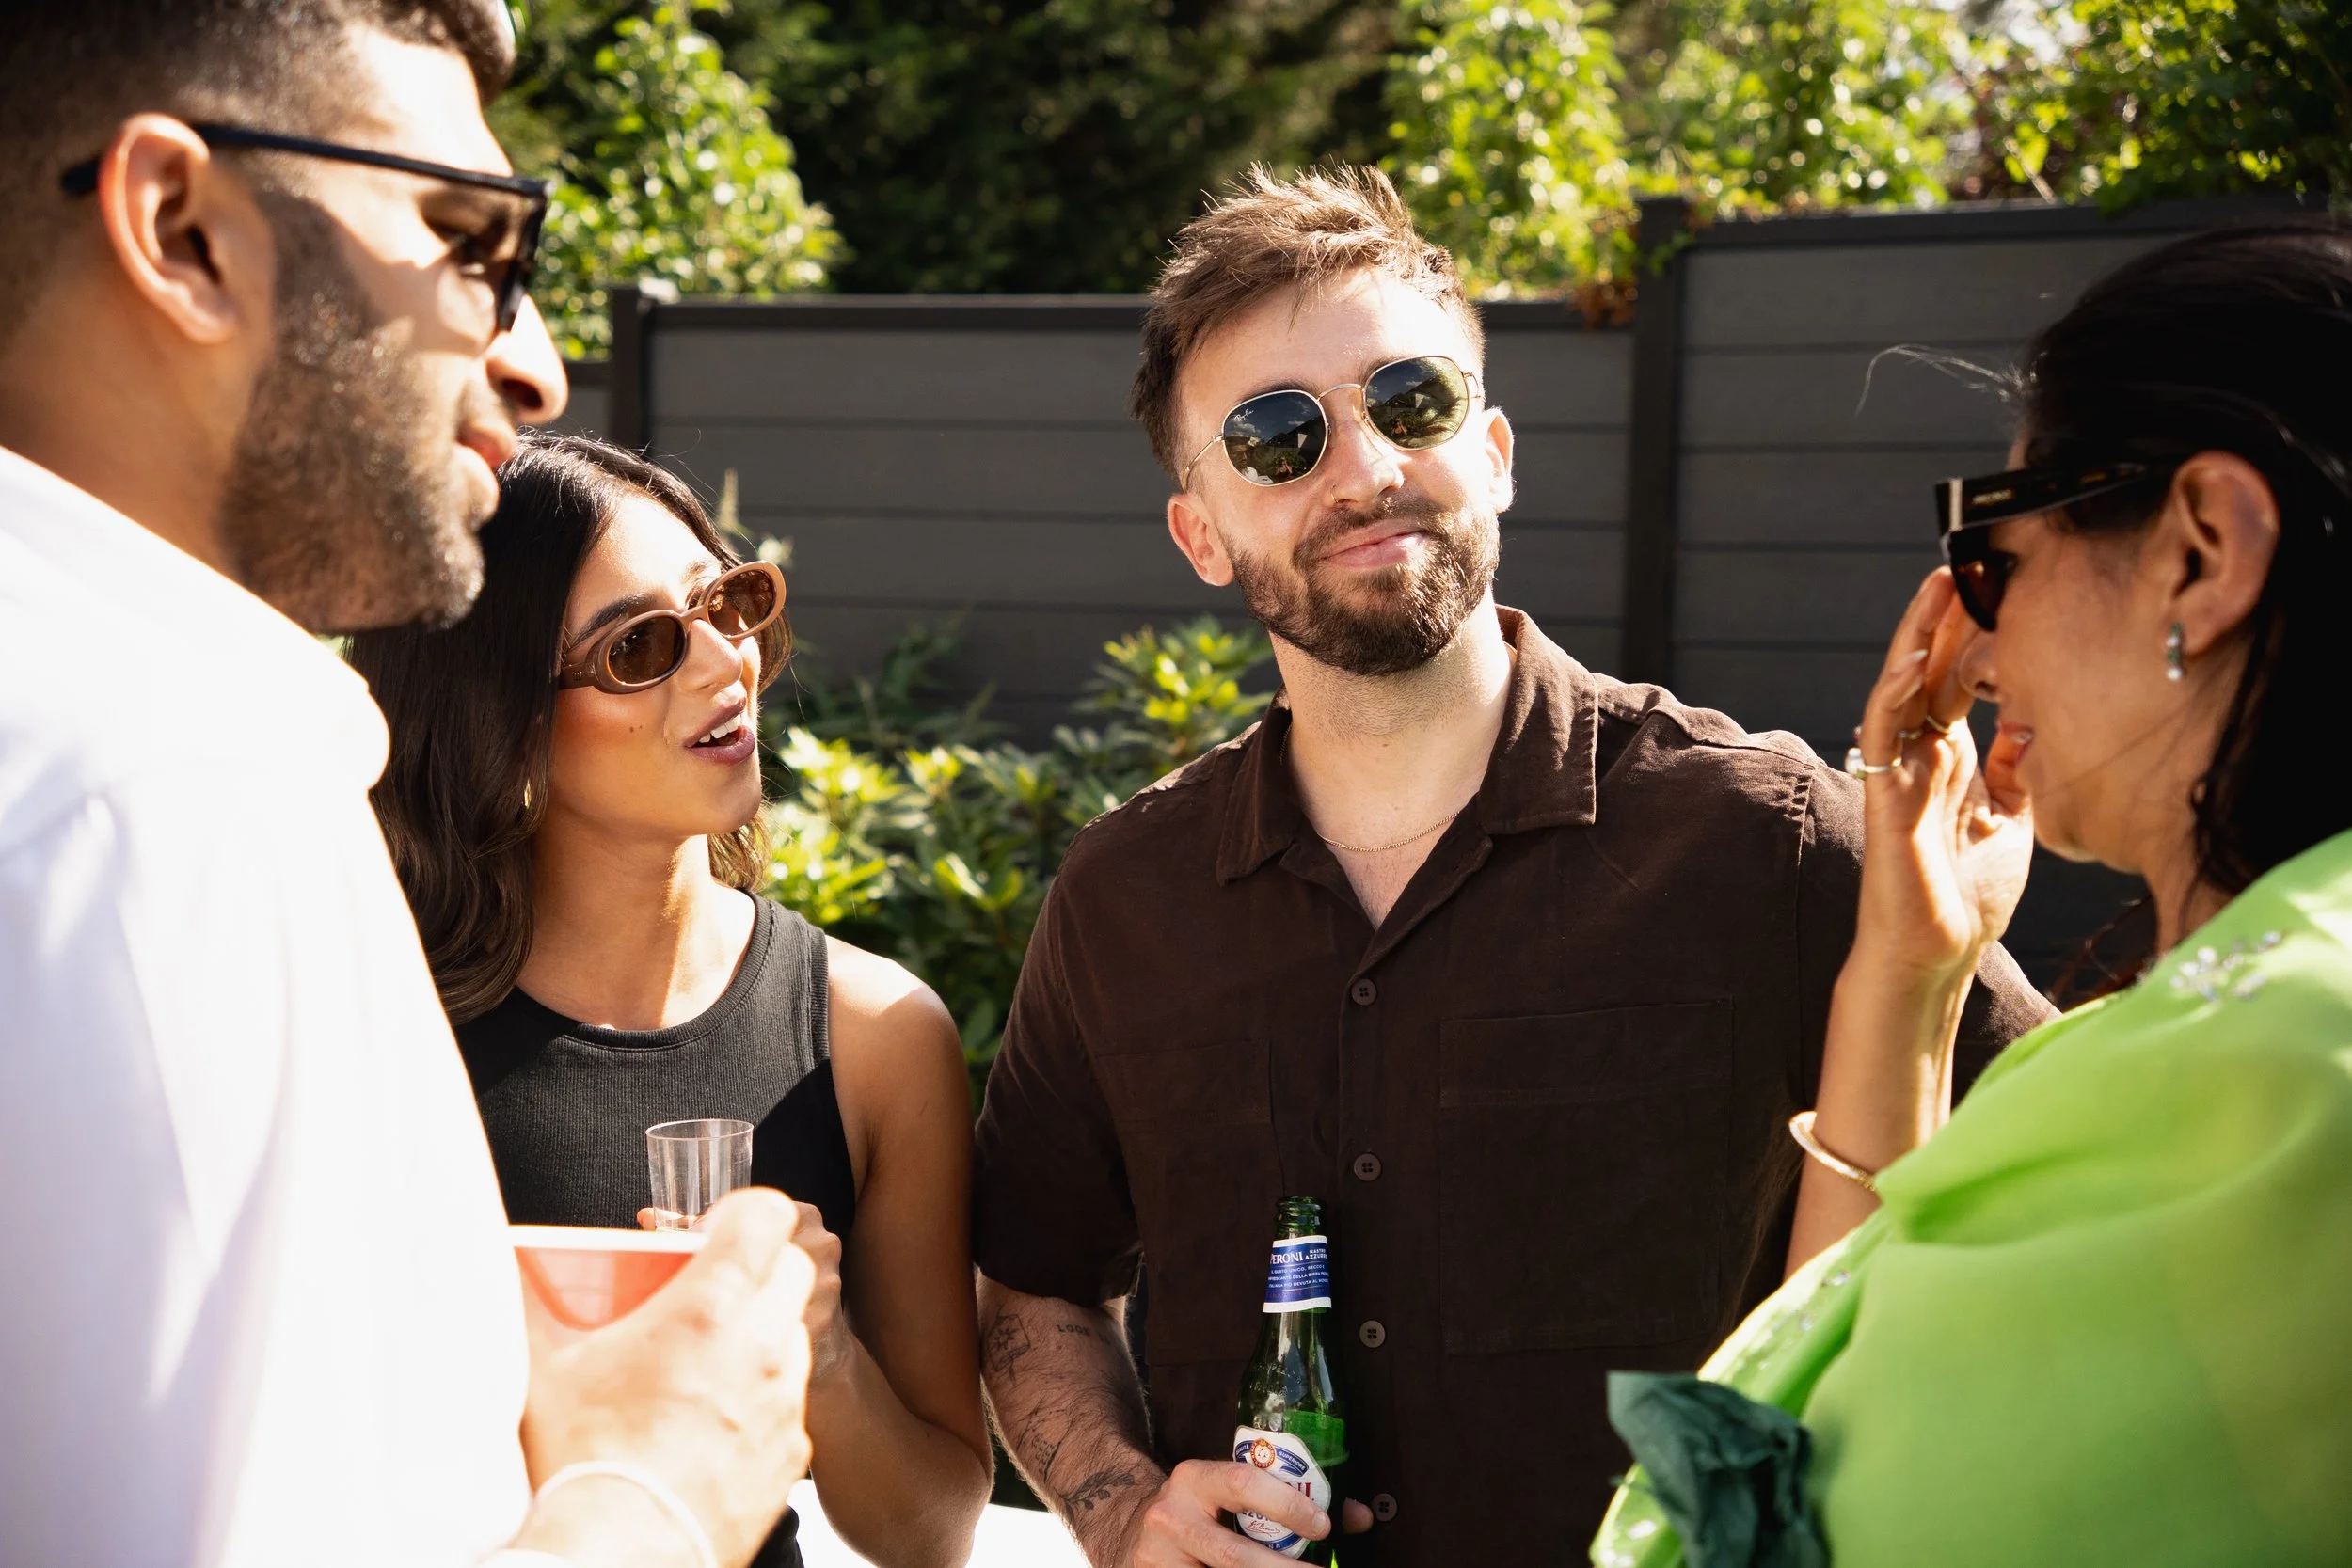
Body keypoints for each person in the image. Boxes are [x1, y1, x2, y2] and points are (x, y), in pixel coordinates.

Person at [968, 165, 2054, 1568]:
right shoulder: (1123, 903)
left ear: (1493, 449)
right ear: (1203, 533)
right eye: (1277, 437)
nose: (1360, 470)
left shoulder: (1770, 840)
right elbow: (1032, 1285)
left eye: (1406, 403)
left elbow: (2045, 1185)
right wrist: (1119, 1510)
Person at [0, 7, 818, 1566]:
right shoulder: (154, 805)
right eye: (467, 245)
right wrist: (655, 1485)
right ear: (185, 232)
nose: (534, 359)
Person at [1592, 220, 2352, 1567]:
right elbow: (1836, 1381)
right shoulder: (2200, 1050)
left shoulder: (2280, 1072)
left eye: (1995, 557)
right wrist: (1908, 958)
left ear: (2203, 549)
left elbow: (1769, 1499)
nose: (1974, 641)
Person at [350, 433, 994, 1568]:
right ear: (504, 720)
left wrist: (821, 1346)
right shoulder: (382, 1032)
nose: (724, 662)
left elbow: (931, 1530)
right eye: (642, 646)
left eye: (727, 602)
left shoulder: (878, 1033)